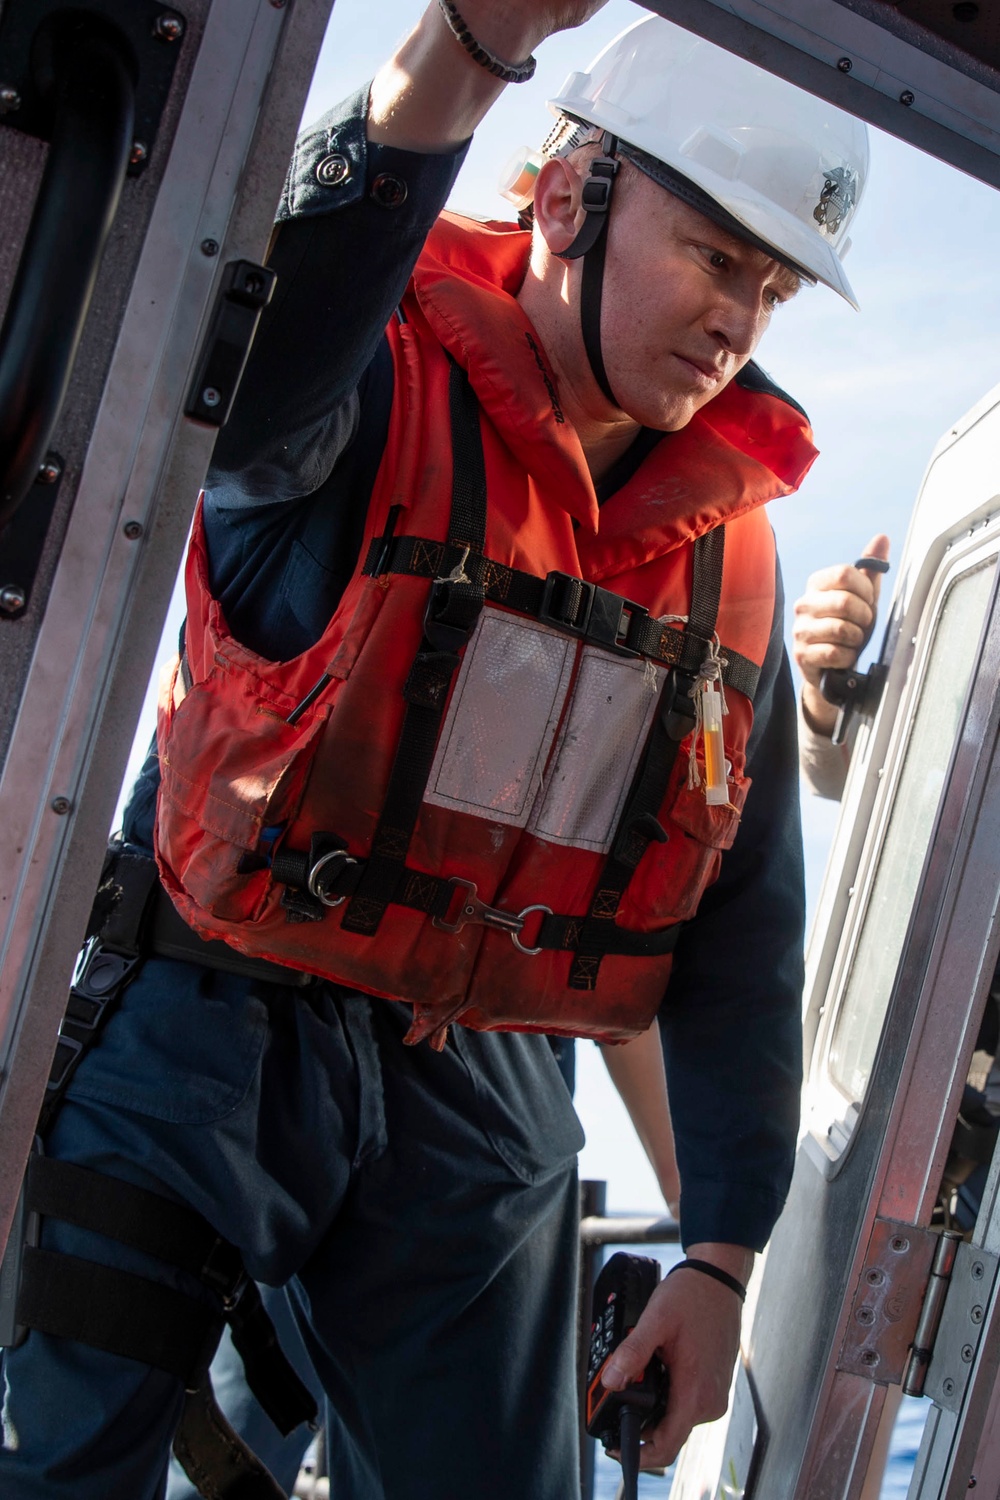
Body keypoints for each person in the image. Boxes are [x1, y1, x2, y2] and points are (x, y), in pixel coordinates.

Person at [0, 4, 870, 1495]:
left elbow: (743, 926)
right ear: (563, 198)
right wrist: (464, 44)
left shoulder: (726, 559)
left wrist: (718, 1257)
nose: (741, 318)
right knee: (58, 1463)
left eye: (775, 287)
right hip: (204, 1019)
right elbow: (257, 365)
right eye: (718, 256)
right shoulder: (363, 388)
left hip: (479, 1085)